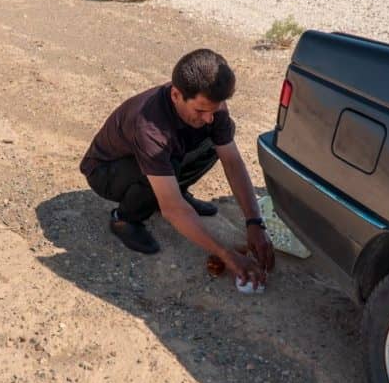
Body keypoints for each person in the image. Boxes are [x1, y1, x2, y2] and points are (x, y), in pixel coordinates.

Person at [80, 48, 274, 287]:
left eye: (214, 109)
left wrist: (255, 222)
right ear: (175, 95)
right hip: (106, 171)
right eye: (200, 110)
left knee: (214, 144)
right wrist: (227, 255)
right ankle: (125, 219)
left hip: (157, 159)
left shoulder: (211, 107)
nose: (208, 118)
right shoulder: (150, 128)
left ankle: (176, 189)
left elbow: (232, 162)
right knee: (163, 170)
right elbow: (172, 210)